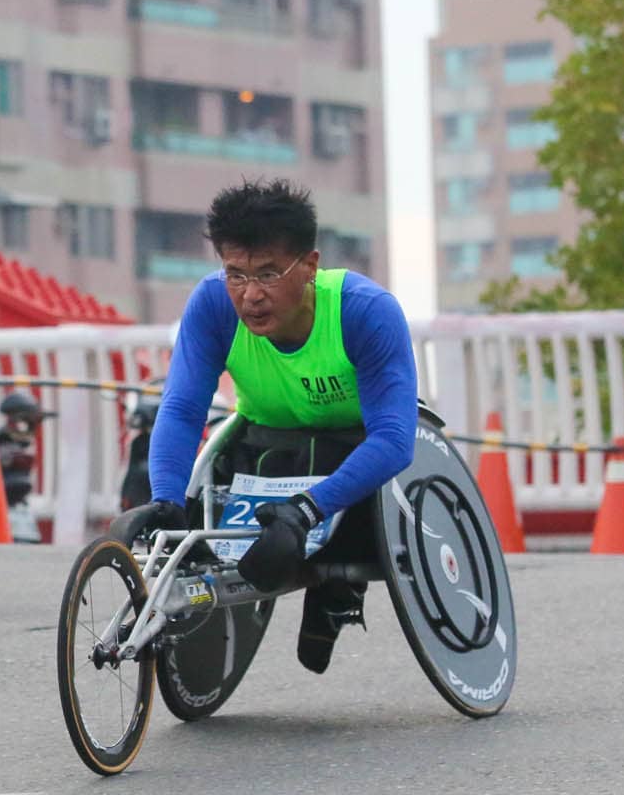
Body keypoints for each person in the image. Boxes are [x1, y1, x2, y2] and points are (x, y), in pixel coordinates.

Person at [123, 179, 417, 673]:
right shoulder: (214, 304)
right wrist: (167, 501)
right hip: (264, 451)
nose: (250, 295)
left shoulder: (364, 311)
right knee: (176, 495)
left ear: (310, 265)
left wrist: (306, 511)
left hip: (353, 458)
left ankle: (336, 588)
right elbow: (181, 408)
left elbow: (394, 439)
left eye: (268, 274)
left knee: (346, 482)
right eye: (235, 273)